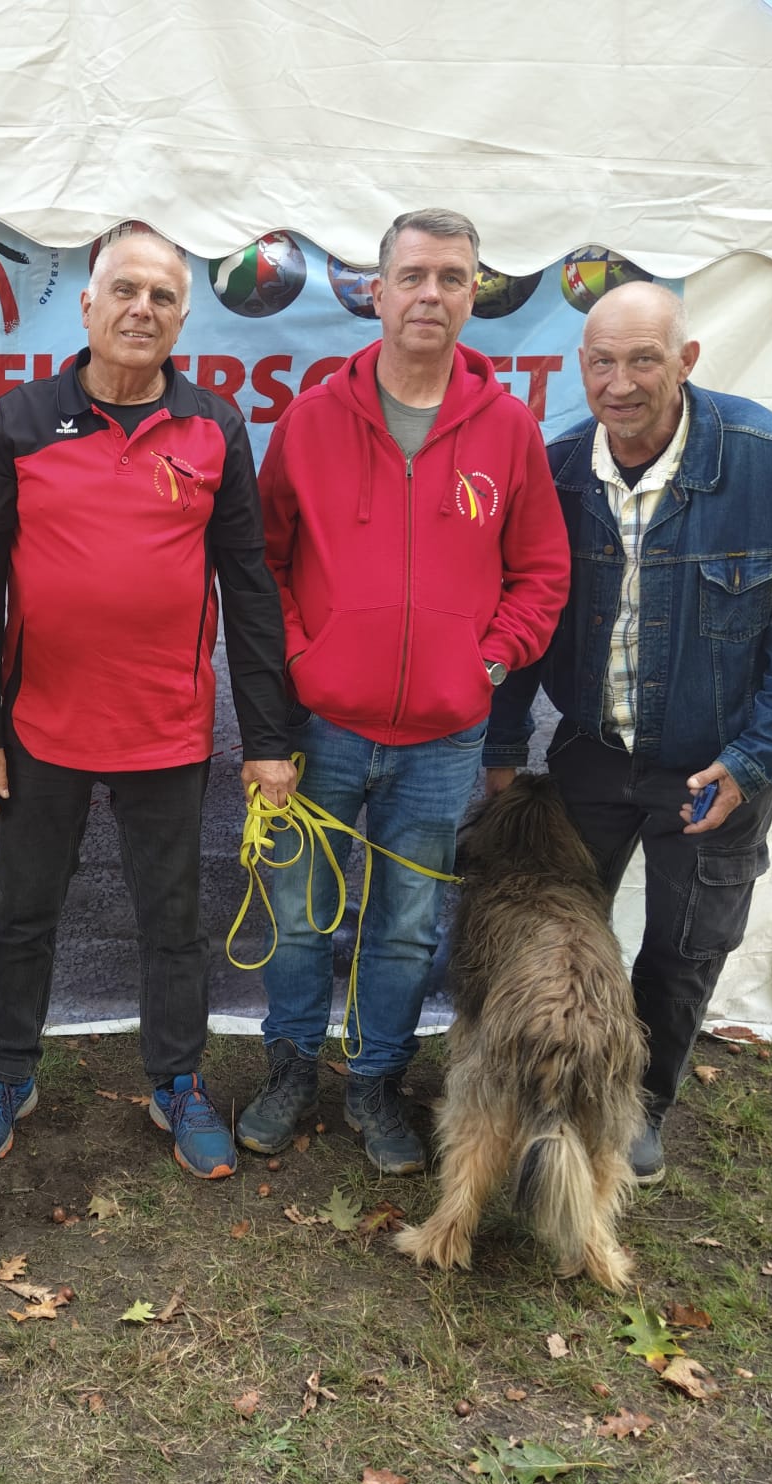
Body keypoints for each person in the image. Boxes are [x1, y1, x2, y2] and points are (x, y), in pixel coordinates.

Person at [485, 280, 772, 1182]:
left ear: (685, 361)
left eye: (644, 360)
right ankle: (553, 1090)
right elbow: (521, 609)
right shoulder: (557, 472)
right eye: (602, 362)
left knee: (687, 948)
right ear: (580, 367)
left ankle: (641, 1102)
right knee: (556, 933)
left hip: (715, 767)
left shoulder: (771, 463)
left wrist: (754, 761)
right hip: (590, 757)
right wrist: (501, 745)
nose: (621, 384)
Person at [0, 229, 296, 1181]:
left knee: (172, 923)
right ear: (88, 305)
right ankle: (9, 1070)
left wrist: (268, 738)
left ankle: (176, 1082)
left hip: (167, 731)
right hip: (40, 729)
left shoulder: (215, 427)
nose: (142, 309)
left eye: (163, 296)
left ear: (183, 318)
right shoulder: (22, 419)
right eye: (125, 290)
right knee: (24, 915)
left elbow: (249, 588)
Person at [250, 208, 569, 1173]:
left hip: (442, 738)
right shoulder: (311, 420)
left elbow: (541, 573)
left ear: (474, 295)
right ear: (378, 291)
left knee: (403, 927)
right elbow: (264, 564)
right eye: (414, 275)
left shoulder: (507, 429)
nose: (432, 294)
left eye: (453, 278)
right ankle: (289, 1069)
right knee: (300, 915)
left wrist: (486, 664)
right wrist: (304, 660)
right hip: (323, 727)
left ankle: (375, 1082)